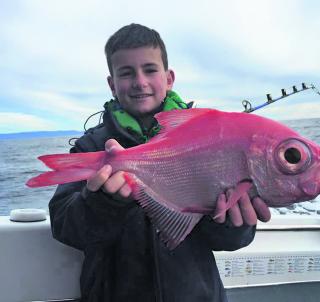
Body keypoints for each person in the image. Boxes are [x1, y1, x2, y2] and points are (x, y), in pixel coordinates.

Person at [49, 23, 271, 302]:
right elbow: (64, 226)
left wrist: (231, 223)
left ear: (169, 78)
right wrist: (105, 202)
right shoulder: (93, 147)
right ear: (112, 84)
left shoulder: (209, 138)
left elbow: (228, 241)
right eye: (126, 73)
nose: (140, 82)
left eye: (150, 70)